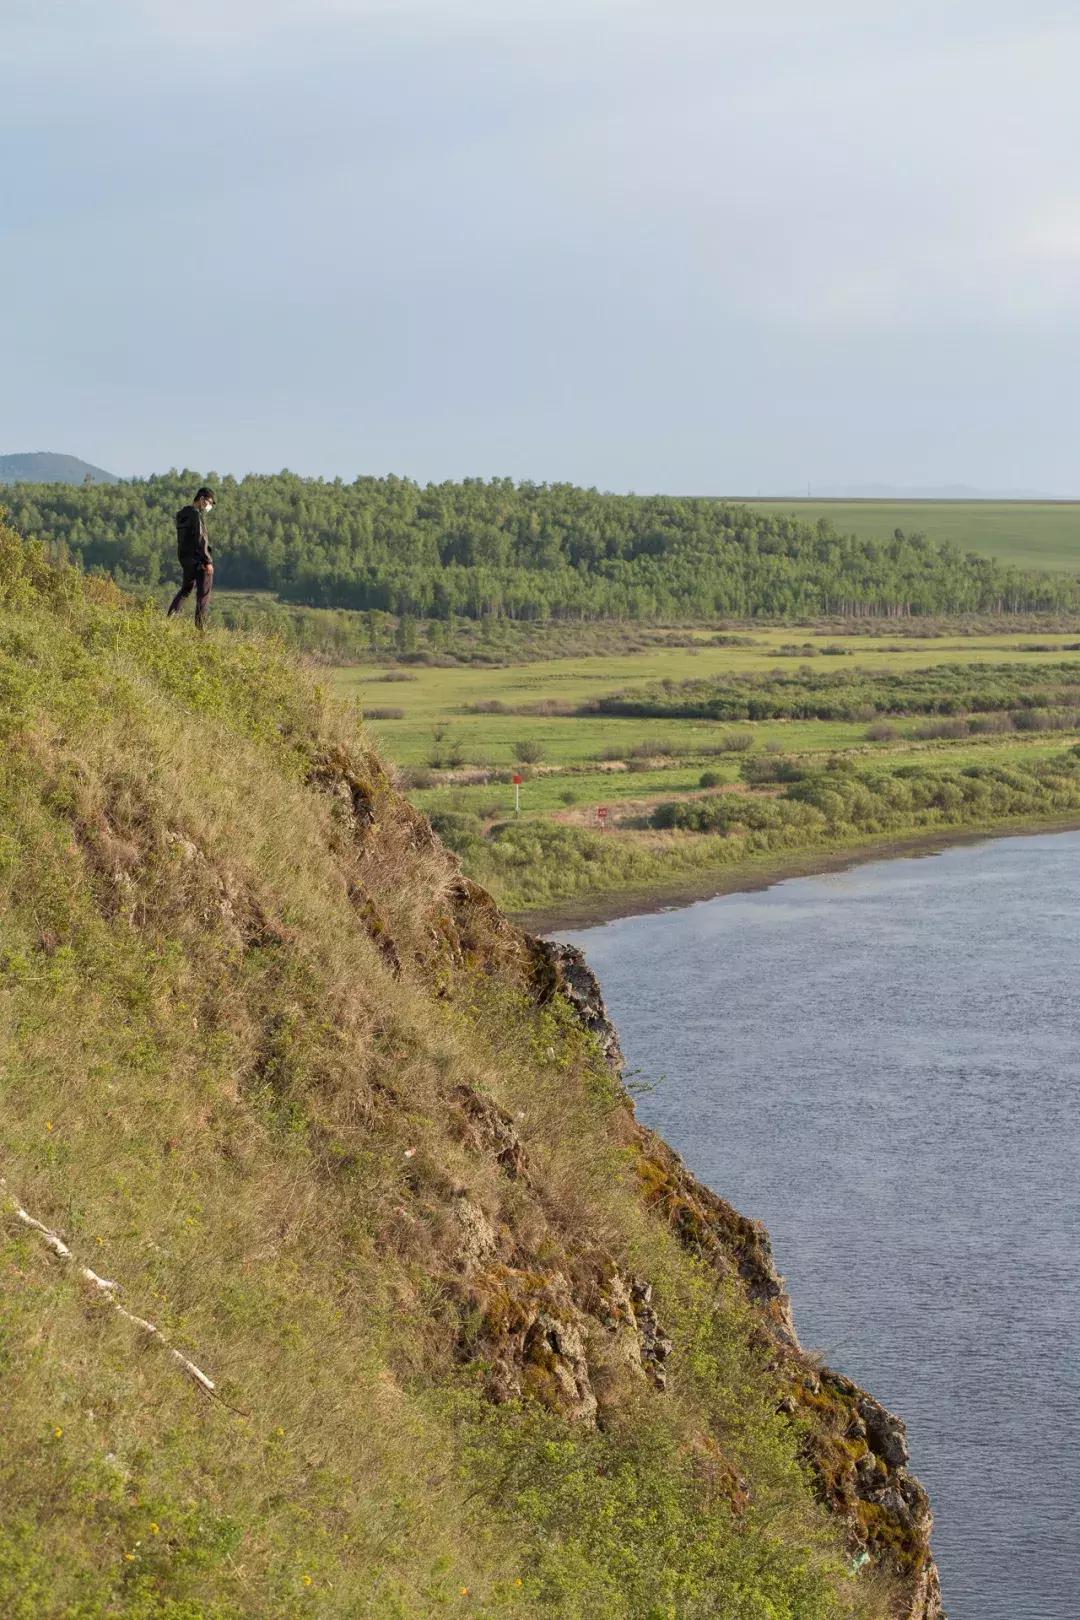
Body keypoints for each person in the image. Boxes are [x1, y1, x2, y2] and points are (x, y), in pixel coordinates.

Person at [167, 486, 216, 629]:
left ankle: (169, 620)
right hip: (199, 561)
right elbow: (201, 539)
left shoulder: (182, 514)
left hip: (185, 559)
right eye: (209, 503)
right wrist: (208, 561)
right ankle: (200, 630)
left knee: (185, 591)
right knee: (204, 595)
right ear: (201, 499)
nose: (209, 507)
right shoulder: (196, 515)